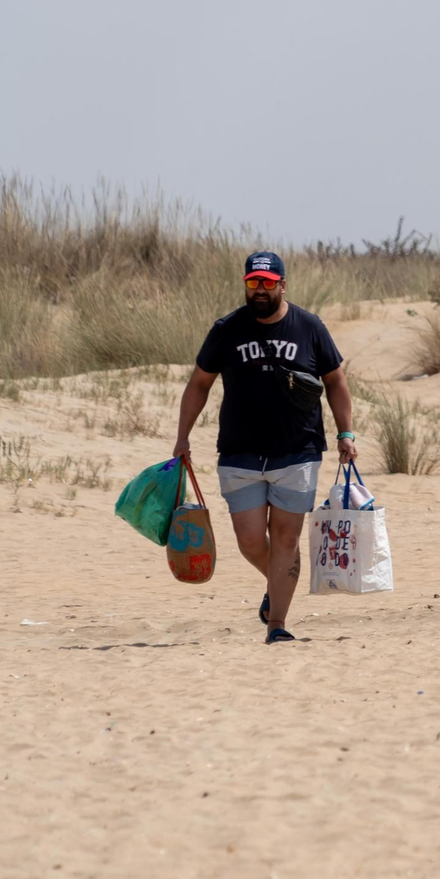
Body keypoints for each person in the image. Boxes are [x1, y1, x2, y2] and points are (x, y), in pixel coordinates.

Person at [171, 251, 357, 644]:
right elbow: (199, 383)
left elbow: (336, 381)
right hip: (240, 452)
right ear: (245, 284)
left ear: (282, 285)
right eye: (253, 282)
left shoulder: (309, 326)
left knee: (286, 540)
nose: (259, 289)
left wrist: (346, 433)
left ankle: (277, 624)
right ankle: (277, 583)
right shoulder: (226, 330)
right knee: (251, 540)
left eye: (267, 283)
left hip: (298, 450)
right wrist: (183, 435)